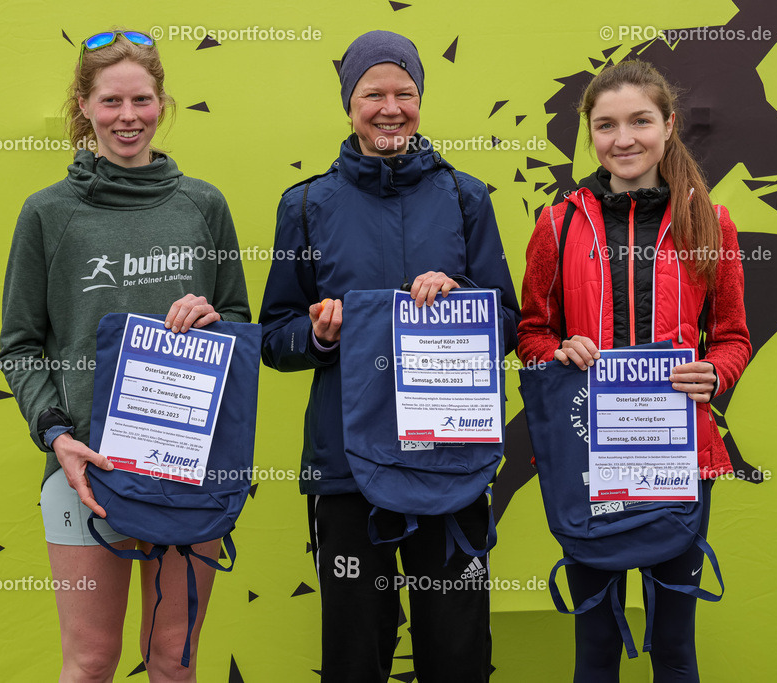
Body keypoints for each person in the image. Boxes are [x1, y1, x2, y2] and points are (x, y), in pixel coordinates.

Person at [259, 30, 520, 683]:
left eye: (404, 91)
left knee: (457, 649)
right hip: (345, 467)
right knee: (354, 653)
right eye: (373, 92)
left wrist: (462, 301)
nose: (390, 106)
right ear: (349, 103)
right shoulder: (306, 205)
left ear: (421, 98)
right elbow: (273, 334)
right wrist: (318, 334)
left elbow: (510, 324)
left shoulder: (467, 198)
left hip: (450, 462)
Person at [0, 30, 250, 682]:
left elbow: (243, 325)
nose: (128, 116)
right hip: (84, 470)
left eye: (141, 99)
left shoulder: (204, 205)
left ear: (162, 102)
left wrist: (212, 321)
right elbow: (20, 344)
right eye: (111, 101)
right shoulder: (48, 215)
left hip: (189, 470)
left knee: (173, 659)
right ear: (83, 104)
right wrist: (56, 436)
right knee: (91, 662)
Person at [517, 60, 752, 682]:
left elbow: (732, 337)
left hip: (678, 453)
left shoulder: (712, 222)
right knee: (595, 646)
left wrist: (715, 374)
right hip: (587, 452)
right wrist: (556, 351)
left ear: (669, 126)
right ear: (589, 134)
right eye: (606, 125)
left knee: (674, 646)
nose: (623, 139)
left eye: (640, 121)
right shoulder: (558, 222)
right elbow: (531, 333)